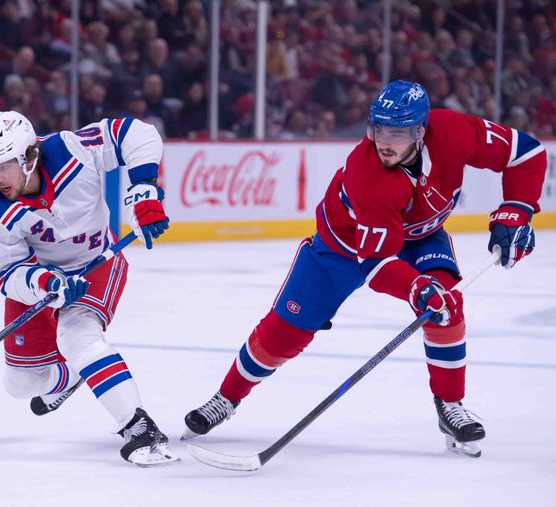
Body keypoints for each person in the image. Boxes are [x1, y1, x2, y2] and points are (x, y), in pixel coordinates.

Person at [183, 80, 546, 457]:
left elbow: (526, 154)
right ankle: (226, 398)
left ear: (421, 131)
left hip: (422, 237)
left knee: (447, 307)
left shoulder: (454, 131)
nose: (383, 141)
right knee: (284, 334)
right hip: (341, 249)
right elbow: (376, 264)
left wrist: (518, 209)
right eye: (377, 129)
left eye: (396, 132)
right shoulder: (368, 174)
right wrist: (416, 288)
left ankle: (450, 405)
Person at [0, 110, 176, 466]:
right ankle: (73, 375)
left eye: (4, 166)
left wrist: (143, 189)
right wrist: (45, 284)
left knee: (77, 336)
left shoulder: (71, 150)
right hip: (39, 278)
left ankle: (138, 427)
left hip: (96, 261)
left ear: (28, 156)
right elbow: (5, 273)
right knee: (20, 385)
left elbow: (138, 133)